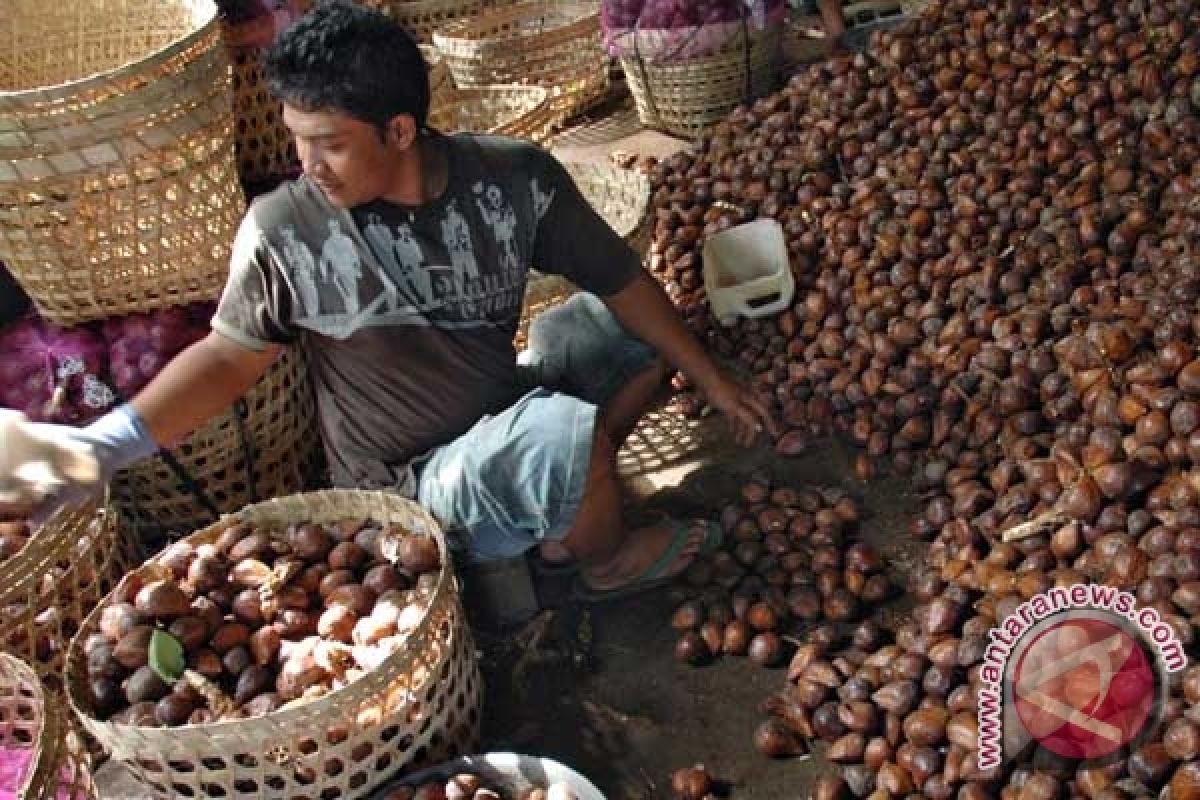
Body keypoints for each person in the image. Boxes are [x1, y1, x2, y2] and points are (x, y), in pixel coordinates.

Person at [5, 0, 776, 601]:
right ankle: (602, 559)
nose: (308, 164)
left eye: (330, 142)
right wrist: (107, 444)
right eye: (297, 138)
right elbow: (225, 359)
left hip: (496, 410)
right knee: (550, 437)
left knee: (613, 330)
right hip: (409, 485)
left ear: (400, 128)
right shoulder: (285, 229)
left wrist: (710, 378)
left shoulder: (513, 181)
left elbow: (623, 280)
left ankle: (567, 498)